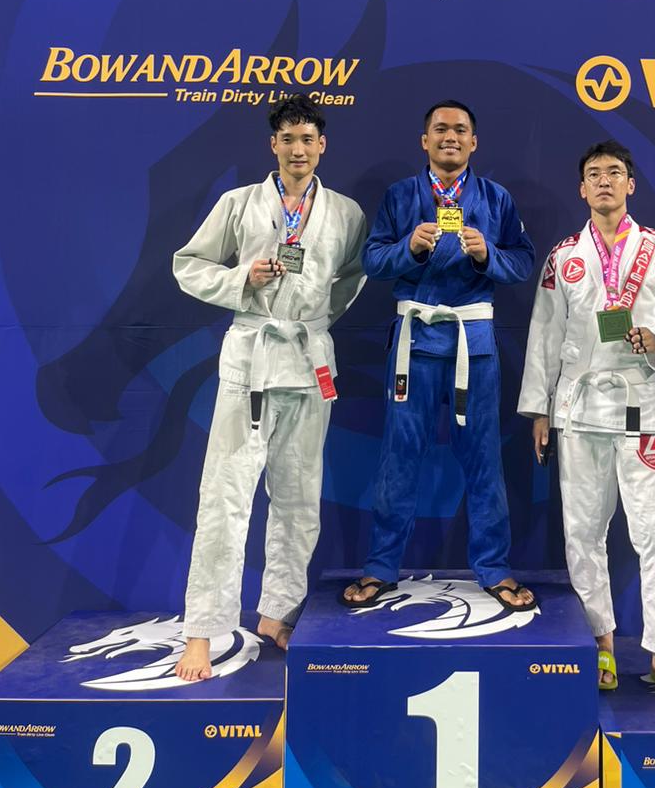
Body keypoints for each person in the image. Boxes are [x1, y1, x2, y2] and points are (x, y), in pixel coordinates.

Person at [172, 95, 366, 681]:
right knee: (226, 496)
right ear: (273, 145)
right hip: (251, 358)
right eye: (288, 139)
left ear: (322, 145)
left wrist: (313, 321)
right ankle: (203, 632)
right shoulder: (238, 204)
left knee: (300, 496)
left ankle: (277, 613)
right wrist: (241, 279)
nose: (298, 149)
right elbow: (188, 264)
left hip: (308, 359)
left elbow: (351, 278)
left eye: (307, 139)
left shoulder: (346, 213)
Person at [518, 140, 655, 702]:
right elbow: (544, 333)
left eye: (615, 173)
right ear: (582, 189)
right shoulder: (564, 256)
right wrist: (539, 409)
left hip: (640, 404)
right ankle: (599, 641)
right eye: (594, 173)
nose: (605, 181)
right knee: (583, 532)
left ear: (631, 185)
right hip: (578, 409)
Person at [342, 101, 537, 611]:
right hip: (416, 341)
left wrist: (488, 255)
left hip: (474, 341)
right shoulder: (400, 196)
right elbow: (372, 261)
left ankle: (494, 567)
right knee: (399, 456)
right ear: (424, 140)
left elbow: (523, 262)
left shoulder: (495, 198)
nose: (451, 137)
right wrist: (408, 247)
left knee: (484, 457)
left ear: (474, 142)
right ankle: (381, 566)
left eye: (461, 130)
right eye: (441, 129)